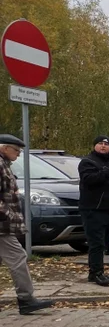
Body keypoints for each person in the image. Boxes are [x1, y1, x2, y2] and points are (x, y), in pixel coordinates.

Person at [0, 135, 54, 315]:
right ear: (5, 148)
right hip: (2, 224)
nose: (18, 154)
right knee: (18, 257)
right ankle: (26, 298)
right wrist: (7, 214)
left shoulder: (4, 164)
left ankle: (26, 298)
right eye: (16, 150)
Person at [78, 136, 109, 287]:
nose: (103, 146)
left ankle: (96, 271)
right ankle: (96, 273)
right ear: (94, 146)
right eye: (100, 144)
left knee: (104, 242)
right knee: (96, 243)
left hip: (108, 209)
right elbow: (89, 179)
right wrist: (106, 172)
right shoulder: (88, 162)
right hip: (93, 209)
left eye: (106, 144)